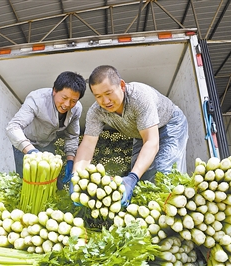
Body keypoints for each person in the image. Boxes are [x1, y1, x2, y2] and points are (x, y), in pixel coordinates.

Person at [72, 65, 188, 206]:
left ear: (121, 85)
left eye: (108, 93)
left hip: (169, 124)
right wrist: (76, 178)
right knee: (142, 178)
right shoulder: (96, 112)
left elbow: (151, 142)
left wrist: (132, 178)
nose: (105, 101)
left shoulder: (139, 98)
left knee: (161, 172)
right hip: (141, 134)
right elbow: (87, 145)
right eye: (98, 96)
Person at [6, 71, 87, 188]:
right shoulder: (37, 99)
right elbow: (13, 127)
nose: (67, 104)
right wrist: (31, 152)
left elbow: (72, 136)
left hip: (47, 144)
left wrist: (70, 160)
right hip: (24, 146)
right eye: (64, 98)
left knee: (53, 184)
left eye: (73, 101)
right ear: (54, 91)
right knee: (28, 183)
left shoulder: (77, 109)